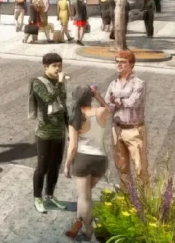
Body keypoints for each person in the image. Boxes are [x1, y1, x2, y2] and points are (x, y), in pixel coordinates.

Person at [64, 85, 110, 241]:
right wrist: (98, 96)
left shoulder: (75, 118)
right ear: (90, 98)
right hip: (100, 160)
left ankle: (89, 231)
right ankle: (77, 221)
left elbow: (72, 147)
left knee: (84, 198)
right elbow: (109, 109)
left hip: (83, 160)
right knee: (85, 195)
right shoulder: (100, 112)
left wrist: (67, 165)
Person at [29, 52, 68, 214]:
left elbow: (63, 105)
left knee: (55, 166)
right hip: (44, 132)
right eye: (54, 66)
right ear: (45, 66)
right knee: (42, 167)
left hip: (59, 132)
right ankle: (37, 197)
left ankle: (50, 195)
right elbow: (48, 99)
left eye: (60, 65)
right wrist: (59, 83)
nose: (58, 69)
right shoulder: (38, 82)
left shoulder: (60, 82)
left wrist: (69, 128)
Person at [103, 50, 147, 193]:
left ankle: (143, 198)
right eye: (117, 62)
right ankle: (125, 196)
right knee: (121, 166)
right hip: (117, 129)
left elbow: (133, 102)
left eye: (123, 62)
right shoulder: (113, 84)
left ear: (131, 64)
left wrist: (116, 100)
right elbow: (107, 104)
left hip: (134, 130)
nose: (119, 65)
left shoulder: (139, 84)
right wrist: (114, 103)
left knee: (140, 168)